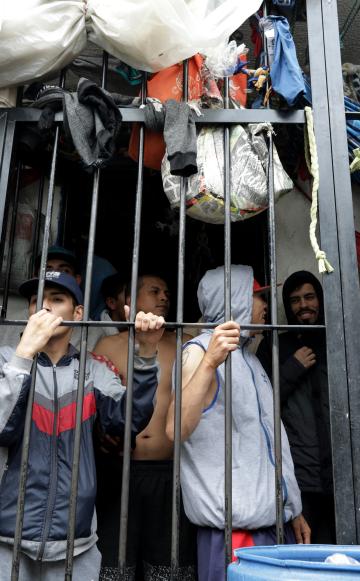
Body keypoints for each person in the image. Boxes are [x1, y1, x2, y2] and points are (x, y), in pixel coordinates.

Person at [0, 270, 164, 581]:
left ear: (78, 314)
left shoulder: (93, 371)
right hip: (7, 540)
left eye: (56, 299)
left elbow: (127, 422)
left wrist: (145, 352)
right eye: (37, 301)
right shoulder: (7, 361)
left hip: (77, 543)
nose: (44, 308)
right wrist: (24, 355)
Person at [166, 265, 310, 581]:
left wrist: (292, 509)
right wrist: (209, 364)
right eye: (257, 297)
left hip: (273, 525)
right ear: (236, 301)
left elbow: (273, 441)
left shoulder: (251, 359)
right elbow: (175, 430)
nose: (264, 305)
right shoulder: (197, 353)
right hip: (235, 534)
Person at [93, 274, 197, 581]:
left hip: (170, 471)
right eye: (154, 291)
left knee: (168, 567)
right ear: (130, 301)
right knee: (116, 567)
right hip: (119, 470)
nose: (164, 296)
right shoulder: (109, 344)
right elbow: (92, 403)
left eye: (166, 291)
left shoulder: (184, 345)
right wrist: (100, 435)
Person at [257, 270, 335, 543]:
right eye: (295, 300)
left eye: (310, 297)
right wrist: (291, 370)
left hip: (344, 472)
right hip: (300, 478)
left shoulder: (340, 339)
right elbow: (261, 405)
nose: (304, 305)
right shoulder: (275, 344)